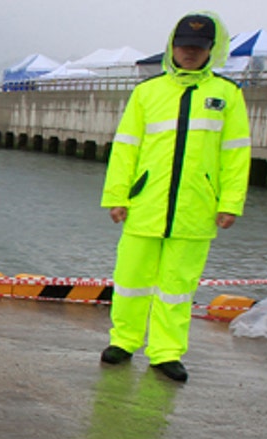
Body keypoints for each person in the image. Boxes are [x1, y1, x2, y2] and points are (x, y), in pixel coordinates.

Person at [99, 11, 251, 382]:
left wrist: (230, 202)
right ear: (172, 46)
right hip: (144, 205)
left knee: (177, 287)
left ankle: (166, 352)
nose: (189, 53)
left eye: (198, 47)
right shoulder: (147, 93)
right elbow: (125, 149)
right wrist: (117, 196)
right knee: (131, 280)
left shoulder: (227, 95)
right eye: (183, 45)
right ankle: (124, 341)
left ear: (211, 50)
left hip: (195, 210)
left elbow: (236, 153)